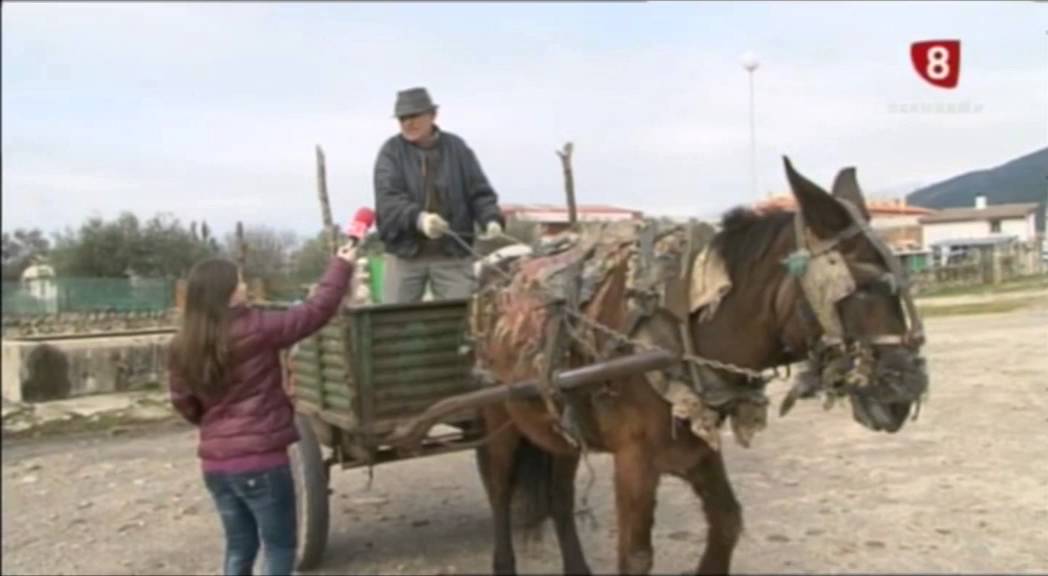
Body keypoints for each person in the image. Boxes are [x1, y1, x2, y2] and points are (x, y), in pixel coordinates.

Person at [168, 241, 357, 576]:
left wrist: (215, 425)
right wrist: (341, 265)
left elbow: (185, 403)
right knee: (280, 548)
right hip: (262, 463)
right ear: (227, 293)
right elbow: (316, 311)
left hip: (215, 467)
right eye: (238, 281)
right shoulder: (258, 327)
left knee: (239, 548)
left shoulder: (183, 344)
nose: (244, 286)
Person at [373, 86, 506, 304]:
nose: (408, 122)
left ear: (432, 115)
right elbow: (388, 200)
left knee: (459, 322)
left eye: (414, 115)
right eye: (402, 118)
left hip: (452, 253)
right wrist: (419, 219)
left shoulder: (458, 148)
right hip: (405, 255)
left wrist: (491, 218)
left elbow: (479, 192)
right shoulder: (390, 152)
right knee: (394, 325)